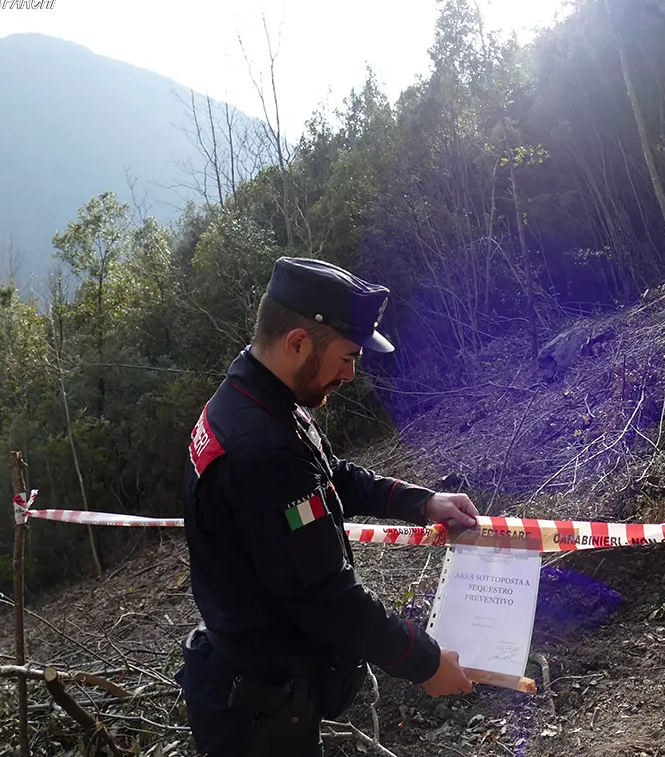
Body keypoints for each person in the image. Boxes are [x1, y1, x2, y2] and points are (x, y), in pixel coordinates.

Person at [176, 257, 478, 756]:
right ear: (297, 343)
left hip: (255, 689)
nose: (350, 373)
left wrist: (423, 503)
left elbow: (329, 473)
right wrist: (425, 662)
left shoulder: (256, 398)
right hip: (257, 717)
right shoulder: (261, 446)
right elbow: (327, 598)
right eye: (346, 356)